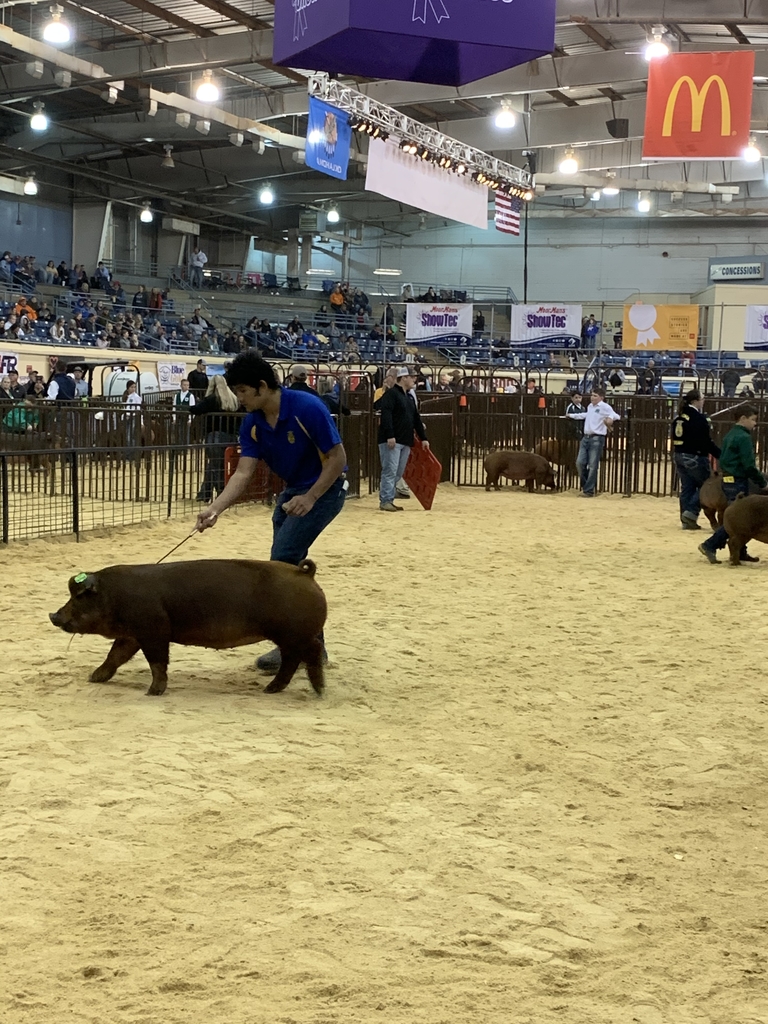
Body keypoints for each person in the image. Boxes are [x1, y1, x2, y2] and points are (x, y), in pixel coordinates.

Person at [195, 352, 348, 671]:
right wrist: (215, 509)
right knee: (285, 566)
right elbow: (242, 473)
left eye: (242, 391)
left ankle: (305, 646)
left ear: (262, 387)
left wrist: (311, 497)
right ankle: (306, 645)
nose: (239, 398)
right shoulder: (253, 423)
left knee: (285, 561)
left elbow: (337, 459)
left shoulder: (307, 408)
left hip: (325, 490)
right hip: (293, 492)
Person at [698, 405, 765, 564]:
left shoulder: (730, 434)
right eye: (753, 420)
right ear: (743, 418)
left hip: (728, 478)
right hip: (738, 479)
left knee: (738, 515)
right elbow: (748, 465)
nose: (755, 424)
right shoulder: (743, 437)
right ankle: (710, 545)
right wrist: (761, 482)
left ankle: (740, 551)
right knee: (738, 519)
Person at [377, 367, 429, 512]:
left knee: (397, 472)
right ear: (403, 378)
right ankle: (386, 500)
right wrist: (389, 435)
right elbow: (386, 415)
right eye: (412, 377)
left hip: (403, 439)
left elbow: (416, 419)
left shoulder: (408, 397)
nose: (414, 380)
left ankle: (389, 498)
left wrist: (423, 437)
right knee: (390, 471)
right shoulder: (391, 395)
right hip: (393, 440)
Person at [671, 389, 721, 531]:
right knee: (705, 486)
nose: (704, 400)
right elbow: (706, 442)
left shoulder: (679, 417)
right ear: (695, 401)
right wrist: (720, 454)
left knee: (687, 487)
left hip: (679, 455)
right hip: (695, 455)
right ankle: (691, 513)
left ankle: (686, 520)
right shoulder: (698, 418)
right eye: (702, 398)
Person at [190, 375, 241, 503]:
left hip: (214, 437)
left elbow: (196, 409)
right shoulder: (234, 400)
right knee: (214, 464)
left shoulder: (212, 399)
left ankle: (221, 494)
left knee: (216, 466)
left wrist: (190, 407)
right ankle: (204, 494)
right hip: (231, 437)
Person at [567, 386, 620, 497]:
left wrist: (610, 418)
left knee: (592, 465)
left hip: (597, 437)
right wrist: (572, 415)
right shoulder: (590, 406)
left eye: (595, 396)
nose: (592, 397)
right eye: (592, 395)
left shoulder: (605, 407)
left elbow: (616, 415)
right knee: (580, 463)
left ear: (601, 397)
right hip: (586, 437)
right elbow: (586, 415)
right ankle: (587, 486)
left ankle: (588, 490)